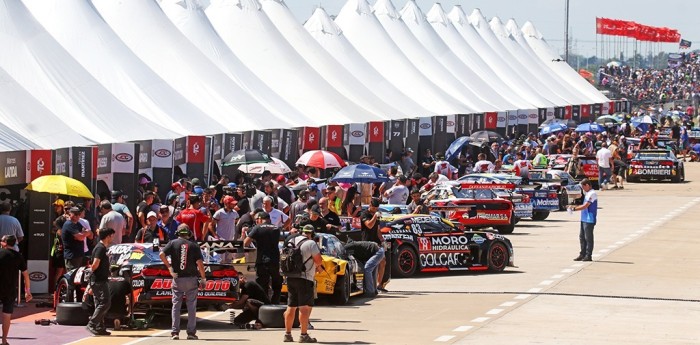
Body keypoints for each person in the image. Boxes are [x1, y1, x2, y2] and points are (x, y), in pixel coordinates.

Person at [159, 224, 206, 340]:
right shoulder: (194, 246)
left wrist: (170, 268)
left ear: (178, 233)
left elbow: (161, 254)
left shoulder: (172, 243)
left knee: (176, 306)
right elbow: (200, 263)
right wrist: (203, 278)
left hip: (177, 279)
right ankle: (191, 333)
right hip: (191, 279)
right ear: (188, 233)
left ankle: (175, 332)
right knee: (191, 306)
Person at [283, 225, 323, 343]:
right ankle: (303, 335)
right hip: (305, 278)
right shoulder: (311, 243)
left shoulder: (291, 240)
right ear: (312, 233)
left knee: (291, 306)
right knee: (304, 308)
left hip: (290, 277)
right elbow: (318, 261)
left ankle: (287, 334)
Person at [243, 211, 282, 304]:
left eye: (257, 220)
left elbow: (246, 242)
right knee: (277, 284)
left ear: (260, 218)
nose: (256, 222)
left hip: (262, 261)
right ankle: (275, 303)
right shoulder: (276, 228)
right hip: (275, 260)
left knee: (262, 285)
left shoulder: (257, 228)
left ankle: (263, 305)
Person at [0, 235, 32, 345]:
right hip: (10, 289)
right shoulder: (18, 256)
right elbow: (26, 275)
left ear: (4, 243)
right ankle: (4, 340)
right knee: (7, 315)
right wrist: (28, 291)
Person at [86, 228, 115, 336]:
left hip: (100, 280)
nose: (112, 238)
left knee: (100, 303)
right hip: (99, 281)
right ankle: (92, 324)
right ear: (108, 236)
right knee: (105, 302)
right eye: (112, 235)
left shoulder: (101, 248)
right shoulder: (100, 248)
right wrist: (91, 271)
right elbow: (95, 264)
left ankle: (100, 327)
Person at [568, 179, 598, 262]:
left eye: (583, 187)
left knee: (588, 238)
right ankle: (582, 254)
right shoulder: (587, 193)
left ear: (587, 185)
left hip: (589, 219)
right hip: (584, 218)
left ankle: (588, 255)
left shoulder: (592, 194)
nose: (583, 189)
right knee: (582, 237)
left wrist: (574, 209)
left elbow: (585, 206)